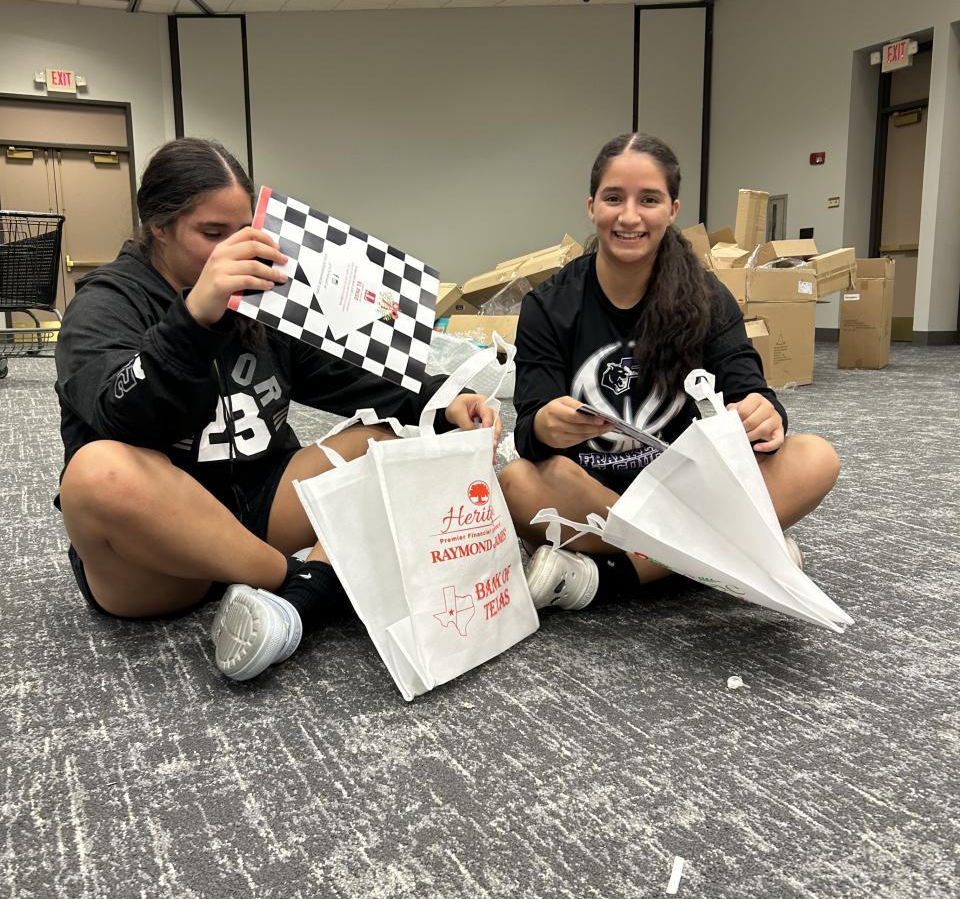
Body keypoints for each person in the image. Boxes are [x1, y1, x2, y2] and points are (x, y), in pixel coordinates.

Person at [55, 138, 497, 681]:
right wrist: (193, 319)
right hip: (164, 558)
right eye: (212, 234)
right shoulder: (103, 304)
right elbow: (124, 415)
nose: (230, 251)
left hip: (261, 505)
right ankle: (307, 583)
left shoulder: (259, 294)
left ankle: (296, 598)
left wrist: (444, 401)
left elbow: (342, 374)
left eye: (241, 231)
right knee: (96, 474)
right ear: (158, 226)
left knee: (389, 442)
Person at [499, 132, 840, 610]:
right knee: (517, 483)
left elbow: (749, 387)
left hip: (688, 490)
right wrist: (543, 425)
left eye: (649, 199)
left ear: (672, 209)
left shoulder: (706, 296)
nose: (630, 216)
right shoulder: (549, 305)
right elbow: (528, 430)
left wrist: (764, 412)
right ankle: (733, 556)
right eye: (614, 198)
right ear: (591, 207)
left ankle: (608, 578)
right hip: (593, 493)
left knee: (815, 458)